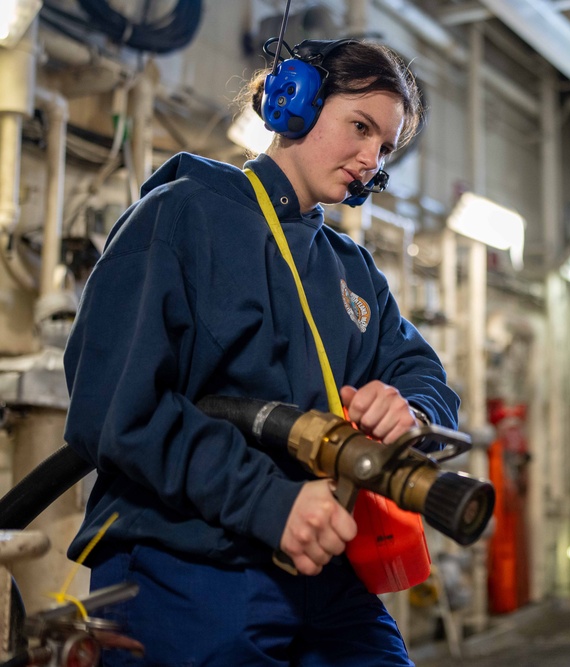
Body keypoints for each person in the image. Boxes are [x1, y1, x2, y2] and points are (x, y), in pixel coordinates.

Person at [62, 38, 459, 666]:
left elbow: (422, 372)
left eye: (384, 147)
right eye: (360, 126)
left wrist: (408, 408)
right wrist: (268, 502)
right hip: (188, 563)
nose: (369, 159)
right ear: (294, 101)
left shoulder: (352, 271)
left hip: (325, 569)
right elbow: (114, 409)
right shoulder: (182, 215)